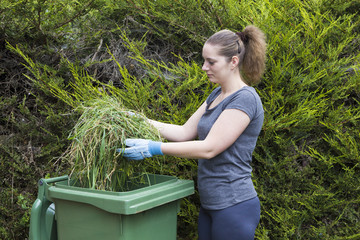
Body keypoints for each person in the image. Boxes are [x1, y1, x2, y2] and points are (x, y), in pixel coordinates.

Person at [121, 25, 267, 240]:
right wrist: (138, 119)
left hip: (234, 205)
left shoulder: (245, 98)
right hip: (211, 204)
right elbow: (183, 132)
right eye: (204, 60)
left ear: (233, 62)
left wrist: (154, 148)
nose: (203, 67)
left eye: (211, 62)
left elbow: (209, 148)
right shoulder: (217, 94)